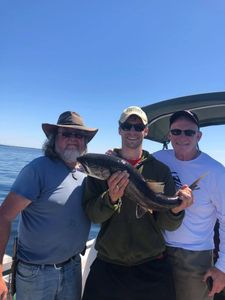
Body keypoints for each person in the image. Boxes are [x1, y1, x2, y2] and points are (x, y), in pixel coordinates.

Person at [82, 106, 193, 300]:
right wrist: (110, 199)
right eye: (127, 126)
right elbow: (92, 215)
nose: (132, 131)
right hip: (109, 265)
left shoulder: (160, 170)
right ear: (119, 129)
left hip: (152, 264)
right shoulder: (102, 166)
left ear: (146, 131)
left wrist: (176, 210)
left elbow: (167, 224)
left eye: (138, 126)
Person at [0, 111, 98, 300]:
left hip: (73, 267)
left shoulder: (87, 174)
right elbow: (3, 216)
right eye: (66, 134)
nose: (73, 139)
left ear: (85, 142)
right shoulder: (37, 170)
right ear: (54, 139)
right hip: (36, 274)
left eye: (79, 135)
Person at [153, 110, 225, 300]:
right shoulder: (159, 158)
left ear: (198, 136)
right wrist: (114, 156)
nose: (182, 137)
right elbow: (135, 165)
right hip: (158, 251)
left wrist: (222, 269)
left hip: (195, 256)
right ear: (169, 135)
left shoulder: (216, 171)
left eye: (189, 132)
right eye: (176, 132)